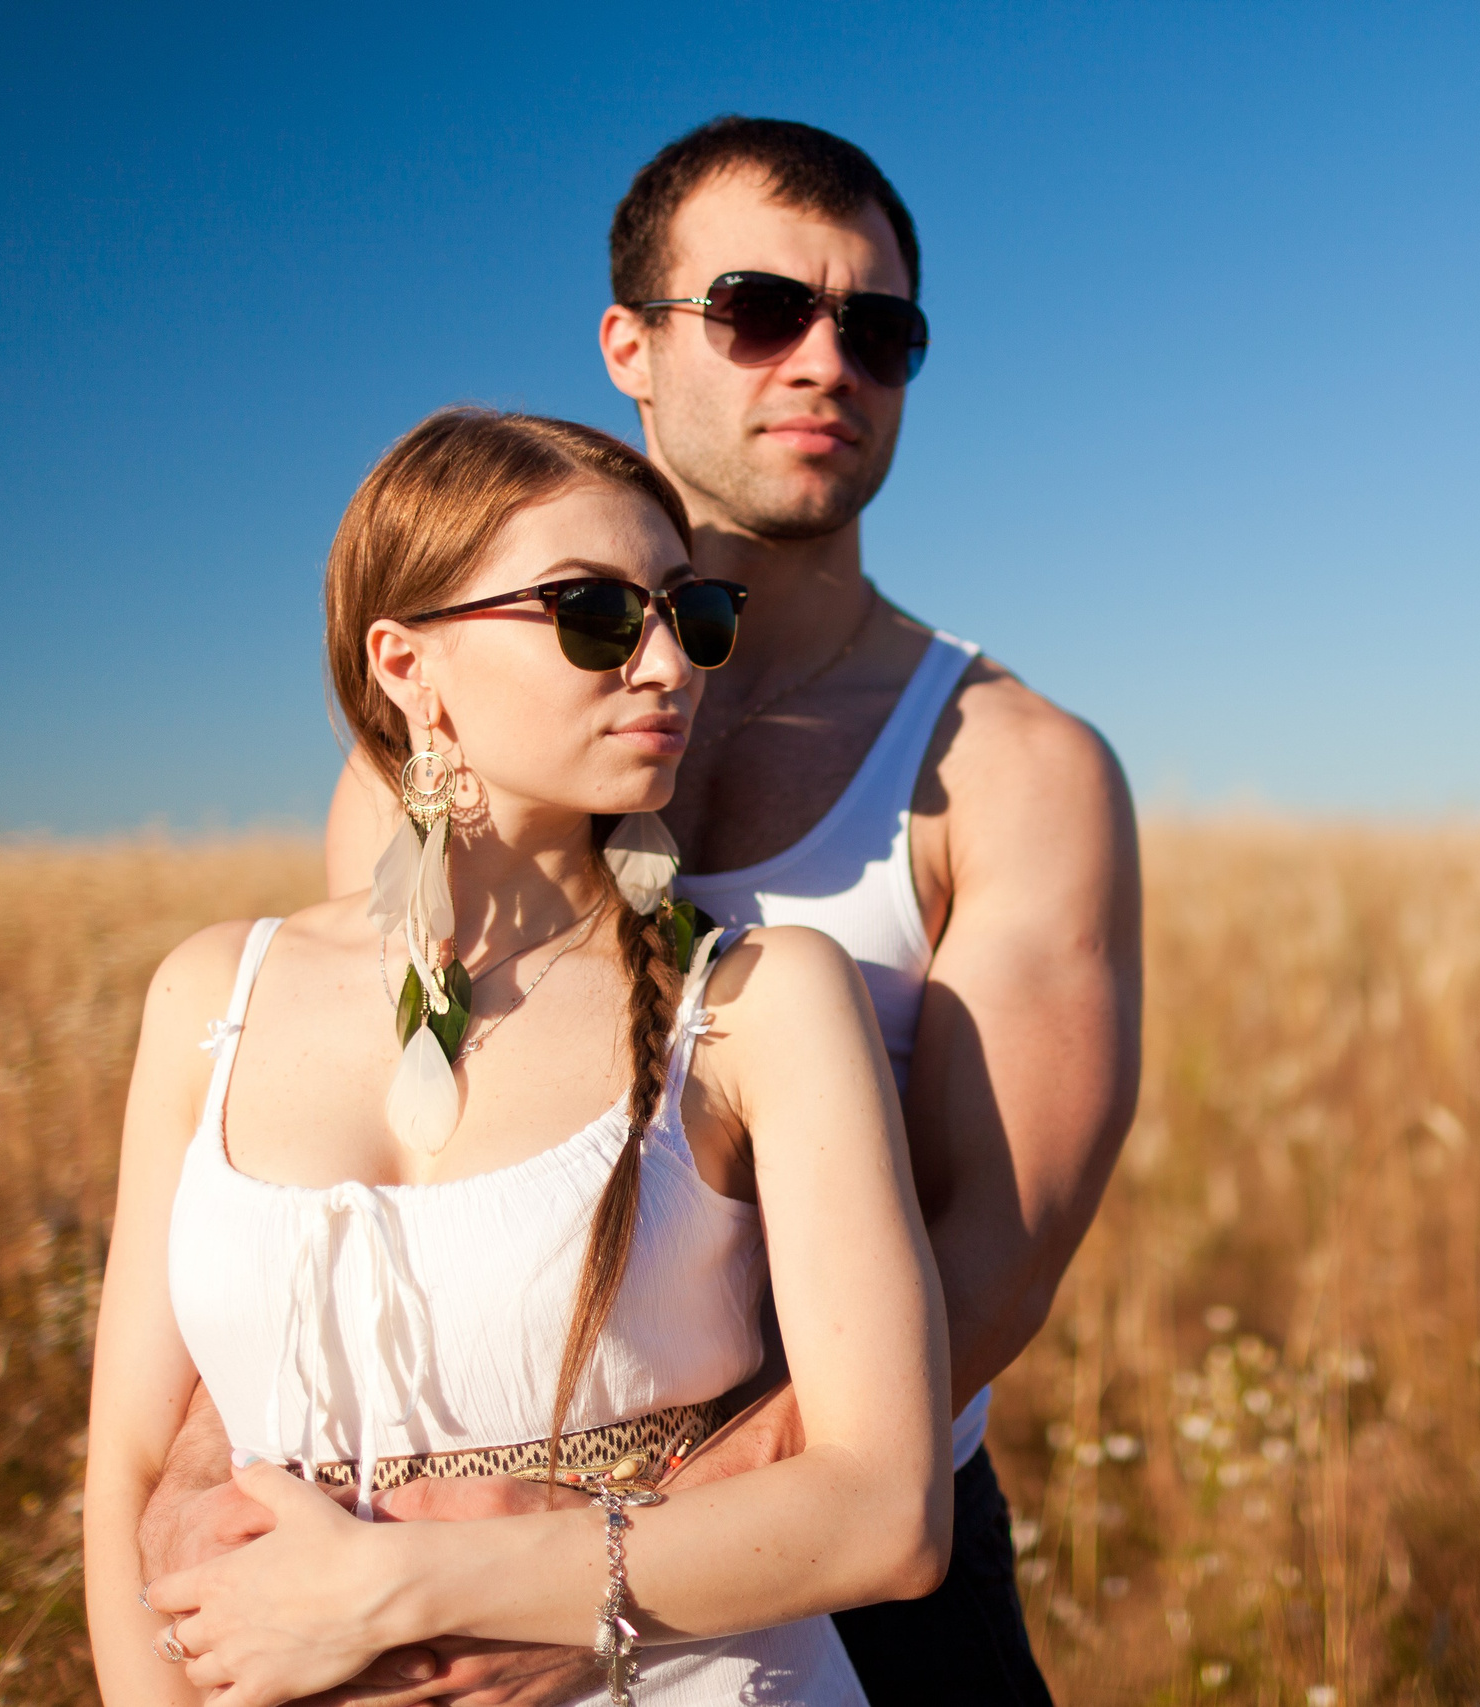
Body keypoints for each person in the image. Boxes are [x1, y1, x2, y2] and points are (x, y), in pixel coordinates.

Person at [140, 118, 1142, 1705]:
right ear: (630, 346)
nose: (825, 362)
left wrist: (592, 1574)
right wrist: (204, 1465)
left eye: (879, 328)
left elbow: (998, 1255)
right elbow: (355, 1165)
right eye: (760, 309)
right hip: (413, 1566)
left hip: (851, 1568)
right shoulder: (445, 757)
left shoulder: (1009, 769)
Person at [86, 409, 952, 1706]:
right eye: (595, 613)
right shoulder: (215, 990)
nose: (668, 662)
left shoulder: (761, 1001)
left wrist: (400, 1591)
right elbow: (126, 1471)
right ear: (406, 662)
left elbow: (885, 1511)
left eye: (694, 613)